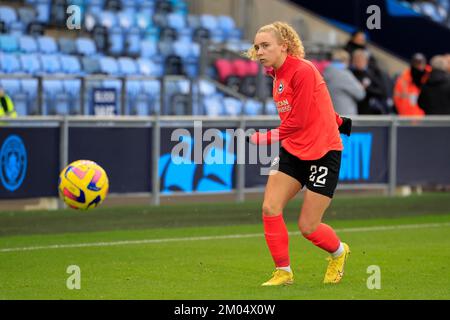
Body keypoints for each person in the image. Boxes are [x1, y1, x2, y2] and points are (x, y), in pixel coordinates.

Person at [246, 21, 351, 286]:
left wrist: (264, 138)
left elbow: (299, 120)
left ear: (284, 46)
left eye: (266, 45)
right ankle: (283, 271)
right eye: (257, 46)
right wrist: (337, 119)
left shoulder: (302, 71)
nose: (259, 51)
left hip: (323, 152)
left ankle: (339, 253)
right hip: (294, 150)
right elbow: (313, 105)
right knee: (270, 207)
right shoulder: (277, 74)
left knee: (308, 227)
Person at [323, 49, 365, 115]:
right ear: (346, 61)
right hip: (345, 116)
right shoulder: (344, 74)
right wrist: (361, 86)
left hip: (330, 115)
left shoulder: (325, 72)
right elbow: (360, 94)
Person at [350, 49, 389, 114]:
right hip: (354, 109)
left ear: (366, 61)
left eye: (362, 60)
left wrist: (366, 89)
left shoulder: (371, 74)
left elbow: (381, 92)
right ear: (353, 61)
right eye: (357, 60)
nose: (360, 62)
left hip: (368, 110)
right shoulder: (350, 74)